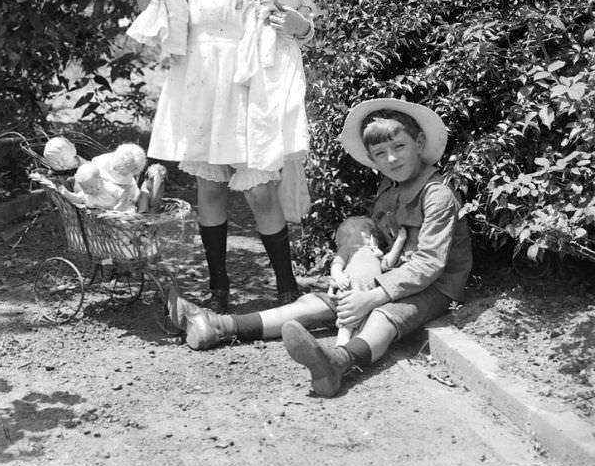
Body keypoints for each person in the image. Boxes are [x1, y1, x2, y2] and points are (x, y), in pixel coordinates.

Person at [165, 98, 473, 398]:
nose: (391, 159)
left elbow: (430, 264)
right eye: (381, 153)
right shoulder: (391, 186)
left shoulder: (437, 195)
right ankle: (220, 325)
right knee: (319, 303)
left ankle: (338, 362)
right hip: (390, 274)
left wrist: (372, 297)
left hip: (435, 286)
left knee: (383, 317)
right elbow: (383, 234)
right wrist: (359, 263)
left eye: (399, 147)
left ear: (419, 142)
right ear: (372, 159)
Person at [137, 0, 313, 313]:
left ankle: (286, 286)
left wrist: (298, 26)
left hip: (248, 80)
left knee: (259, 189)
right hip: (199, 78)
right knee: (210, 187)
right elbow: (161, 17)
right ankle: (219, 287)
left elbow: (301, 18)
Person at [329, 216, 407, 346]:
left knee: (366, 326)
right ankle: (340, 347)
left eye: (372, 234)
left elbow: (388, 263)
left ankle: (353, 351)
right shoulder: (348, 249)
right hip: (351, 289)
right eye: (367, 233)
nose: (371, 235)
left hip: (372, 296)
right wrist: (339, 277)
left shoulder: (375, 253)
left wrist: (400, 240)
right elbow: (336, 266)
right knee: (347, 323)